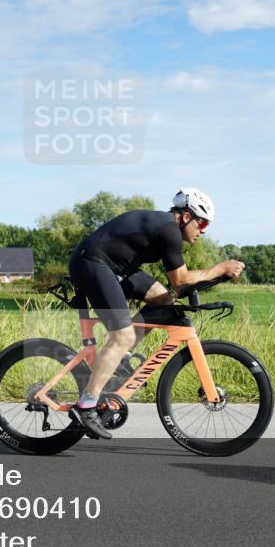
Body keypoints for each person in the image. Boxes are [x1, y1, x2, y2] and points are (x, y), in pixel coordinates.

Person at [66, 187, 245, 439]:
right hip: (92, 264)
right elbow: (181, 281)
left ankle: (121, 359)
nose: (203, 230)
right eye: (201, 222)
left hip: (117, 267)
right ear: (185, 217)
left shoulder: (167, 228)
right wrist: (220, 268)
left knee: (162, 299)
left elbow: (174, 290)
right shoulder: (169, 230)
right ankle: (86, 405)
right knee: (122, 336)